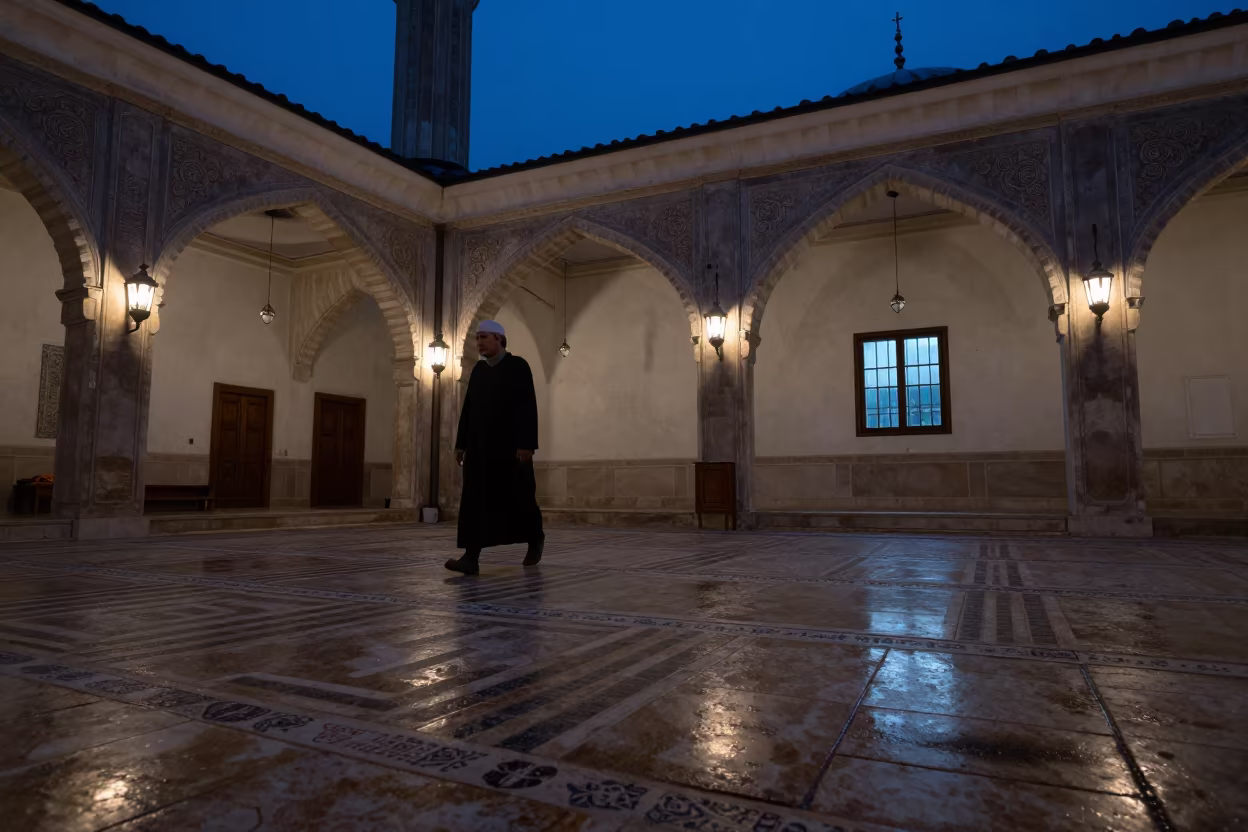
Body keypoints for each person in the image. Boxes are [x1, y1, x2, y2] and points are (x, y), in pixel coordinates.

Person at [445, 320, 545, 575]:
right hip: (479, 450)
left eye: (484, 337)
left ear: (500, 339)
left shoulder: (518, 367)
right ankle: (470, 557)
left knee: (519, 497)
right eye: (477, 338)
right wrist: (461, 444)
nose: (479, 342)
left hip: (511, 450)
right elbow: (468, 409)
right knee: (474, 500)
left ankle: (535, 539)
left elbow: (527, 406)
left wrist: (526, 445)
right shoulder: (478, 370)